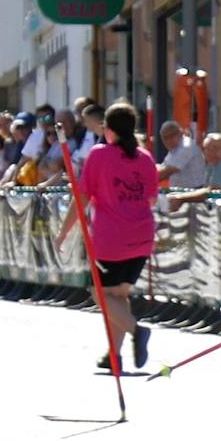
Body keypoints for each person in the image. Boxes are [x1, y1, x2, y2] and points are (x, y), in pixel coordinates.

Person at [54, 103, 159, 371]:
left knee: (99, 294)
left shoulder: (99, 155)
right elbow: (152, 198)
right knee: (118, 295)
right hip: (141, 235)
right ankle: (114, 355)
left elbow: (82, 200)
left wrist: (63, 233)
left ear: (107, 129)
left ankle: (137, 331)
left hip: (112, 237)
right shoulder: (145, 158)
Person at [167, 132, 221, 209]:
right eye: (207, 149)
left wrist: (180, 198)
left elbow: (210, 191)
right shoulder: (213, 165)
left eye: (215, 148)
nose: (211, 152)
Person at [156, 120, 207, 188]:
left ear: (180, 133)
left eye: (171, 136)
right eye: (165, 137)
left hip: (193, 192)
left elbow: (166, 172)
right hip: (183, 191)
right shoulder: (174, 149)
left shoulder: (186, 146)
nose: (168, 140)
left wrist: (144, 181)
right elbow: (163, 167)